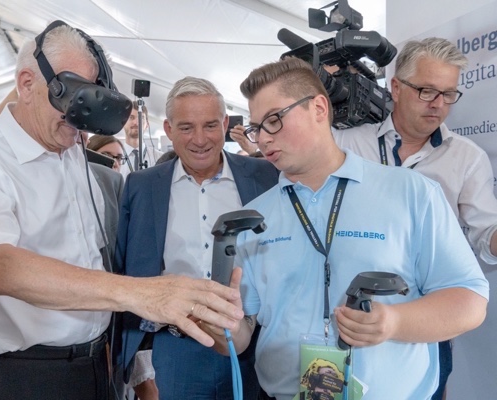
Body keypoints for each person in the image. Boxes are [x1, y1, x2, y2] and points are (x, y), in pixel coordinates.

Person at [0, 22, 244, 400]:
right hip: (23, 374)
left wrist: (131, 364)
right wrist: (143, 294)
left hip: (95, 368)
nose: (81, 114)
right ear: (27, 84)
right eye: (73, 93)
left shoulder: (74, 155)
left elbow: (97, 262)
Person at [207, 57, 488, 400]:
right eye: (256, 128)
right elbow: (241, 336)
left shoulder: (411, 193)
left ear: (318, 108)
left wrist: (394, 322)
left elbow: (469, 301)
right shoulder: (253, 218)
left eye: (274, 120)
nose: (263, 138)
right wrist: (224, 327)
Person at [332, 37, 497, 399]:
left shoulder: (467, 158)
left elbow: (486, 236)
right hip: (346, 315)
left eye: (448, 94)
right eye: (427, 91)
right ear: (396, 87)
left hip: (426, 322)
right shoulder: (345, 145)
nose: (438, 104)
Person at [116, 76, 278, 400]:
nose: (200, 139)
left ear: (225, 124)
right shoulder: (141, 186)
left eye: (210, 125)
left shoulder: (265, 176)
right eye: (187, 127)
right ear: (168, 129)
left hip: (255, 344)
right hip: (176, 351)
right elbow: (126, 267)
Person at [118, 101, 163, 178]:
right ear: (123, 123)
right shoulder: (115, 158)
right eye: (131, 117)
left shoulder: (159, 158)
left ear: (147, 124)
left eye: (141, 118)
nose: (136, 122)